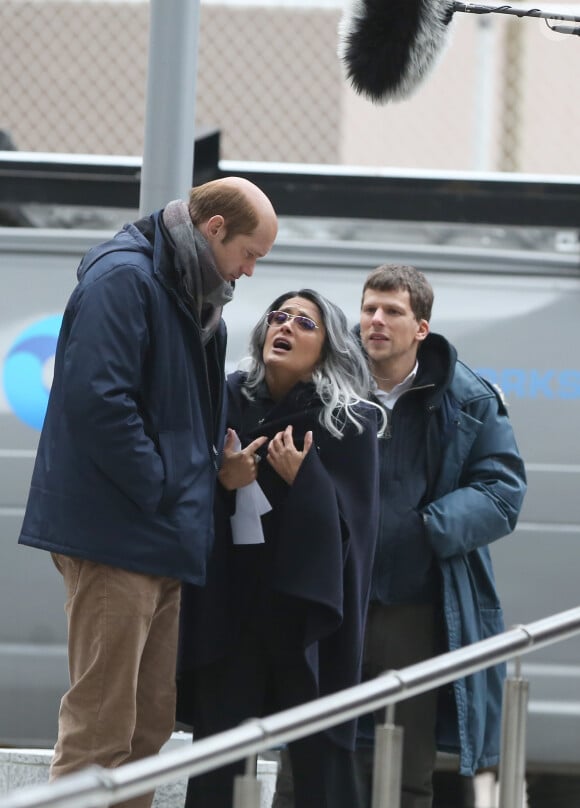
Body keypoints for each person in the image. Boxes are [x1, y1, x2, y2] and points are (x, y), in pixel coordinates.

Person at [17, 176, 278, 808]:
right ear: (214, 229)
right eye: (249, 253)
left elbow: (179, 407)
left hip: (159, 535)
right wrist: (164, 482)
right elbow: (96, 401)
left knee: (145, 728)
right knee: (102, 729)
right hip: (120, 534)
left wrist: (204, 460)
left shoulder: (194, 293)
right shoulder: (126, 280)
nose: (249, 271)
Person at [273, 264, 527, 808]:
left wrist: (422, 528)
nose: (376, 321)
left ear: (421, 328)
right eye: (369, 309)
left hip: (411, 606)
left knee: (405, 772)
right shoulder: (323, 384)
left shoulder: (470, 398)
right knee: (307, 761)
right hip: (331, 599)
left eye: (393, 312)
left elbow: (502, 494)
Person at [176, 289, 384, 808]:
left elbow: (355, 531)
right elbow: (186, 481)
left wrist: (306, 479)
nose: (285, 327)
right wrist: (224, 477)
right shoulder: (225, 397)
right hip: (234, 602)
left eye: (304, 323)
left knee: (322, 748)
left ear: (327, 347)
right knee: (220, 748)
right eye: (279, 317)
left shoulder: (349, 420)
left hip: (305, 612)